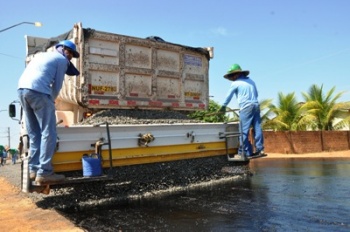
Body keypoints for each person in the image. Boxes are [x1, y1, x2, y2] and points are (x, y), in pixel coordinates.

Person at [17, 40, 80, 184]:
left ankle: (33, 169)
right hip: (39, 92)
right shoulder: (62, 60)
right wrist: (51, 100)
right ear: (65, 50)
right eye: (70, 55)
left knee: (34, 133)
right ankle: (45, 172)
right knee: (49, 132)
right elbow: (57, 85)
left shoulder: (41, 56)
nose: (70, 58)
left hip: (22, 90)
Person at [219, 64, 266, 158]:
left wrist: (223, 106)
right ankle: (260, 150)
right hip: (256, 105)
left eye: (231, 76)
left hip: (246, 107)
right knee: (257, 128)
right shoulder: (251, 81)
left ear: (236, 74)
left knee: (243, 130)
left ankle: (243, 152)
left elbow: (229, 96)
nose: (231, 78)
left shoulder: (236, 83)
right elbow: (256, 94)